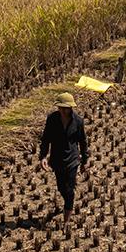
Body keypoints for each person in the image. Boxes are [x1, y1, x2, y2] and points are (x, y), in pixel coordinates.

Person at [39, 92, 90, 230]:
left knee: (69, 190)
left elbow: (83, 142)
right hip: (57, 159)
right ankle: (68, 202)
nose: (62, 110)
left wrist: (85, 160)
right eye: (60, 107)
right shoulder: (52, 119)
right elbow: (46, 139)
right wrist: (43, 157)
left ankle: (66, 219)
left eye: (65, 108)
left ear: (70, 108)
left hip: (73, 160)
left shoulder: (78, 121)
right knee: (61, 187)